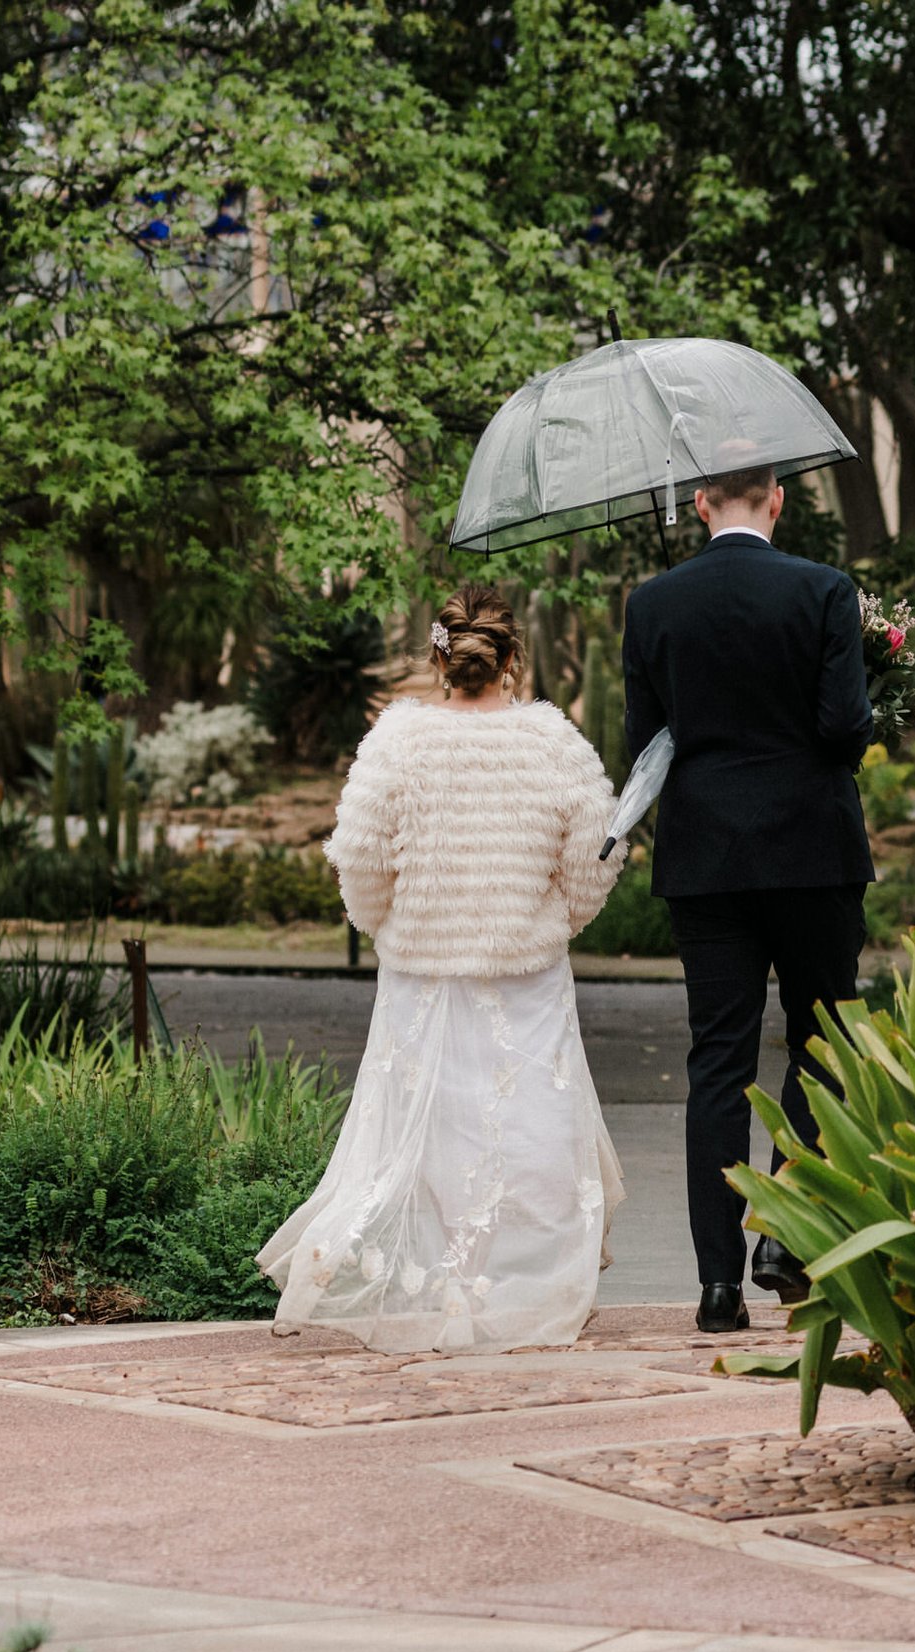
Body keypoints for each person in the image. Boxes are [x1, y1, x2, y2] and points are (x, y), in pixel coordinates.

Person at [257, 584, 627, 1353]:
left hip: (421, 974)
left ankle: (438, 1282)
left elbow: (357, 858)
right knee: (529, 1133)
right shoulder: (555, 743)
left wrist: (390, 925)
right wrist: (552, 923)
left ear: (440, 658)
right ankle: (524, 1285)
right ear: (511, 659)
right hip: (524, 974)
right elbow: (598, 855)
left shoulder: (398, 741)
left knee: (424, 1137)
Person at [622, 460, 876, 1333]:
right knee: (822, 1039)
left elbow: (643, 743)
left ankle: (718, 1284)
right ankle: (785, 1236)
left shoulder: (652, 605)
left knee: (717, 1060)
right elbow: (844, 730)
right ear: (777, 499)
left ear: (699, 504)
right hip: (813, 851)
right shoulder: (824, 590)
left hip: (707, 861)